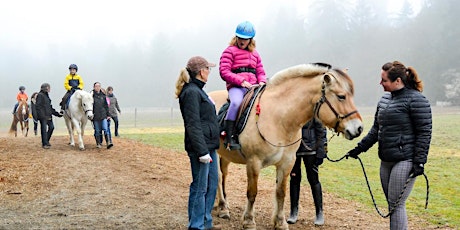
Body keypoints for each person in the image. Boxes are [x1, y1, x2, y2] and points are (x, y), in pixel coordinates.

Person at [346, 61, 432, 230]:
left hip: (405, 160)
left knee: (396, 205)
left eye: (384, 80)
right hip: (386, 160)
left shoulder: (417, 100)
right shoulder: (385, 99)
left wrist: (420, 161)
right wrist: (359, 148)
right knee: (393, 205)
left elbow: (424, 132)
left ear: (397, 81)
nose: (381, 83)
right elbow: (376, 129)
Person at [175, 56, 221, 230]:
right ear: (202, 72)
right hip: (201, 149)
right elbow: (193, 124)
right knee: (200, 187)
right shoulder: (191, 92)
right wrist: (202, 152)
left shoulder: (199, 91)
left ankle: (205, 221)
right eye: (208, 69)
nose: (210, 72)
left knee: (211, 184)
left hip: (210, 146)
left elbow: (206, 120)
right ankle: (196, 225)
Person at [219, 20, 267, 150]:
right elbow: (224, 72)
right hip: (237, 87)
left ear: (251, 40)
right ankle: (229, 137)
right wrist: (241, 81)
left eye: (245, 39)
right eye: (240, 38)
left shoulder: (255, 54)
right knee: (236, 103)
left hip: (254, 87)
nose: (242, 41)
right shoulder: (229, 51)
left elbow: (261, 71)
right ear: (236, 37)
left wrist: (262, 81)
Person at [287, 118, 327, 225]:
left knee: (313, 179)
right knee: (294, 179)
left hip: (311, 150)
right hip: (294, 150)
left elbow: (321, 130)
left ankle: (319, 213)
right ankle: (293, 212)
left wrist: (321, 151)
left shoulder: (314, 107)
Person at [35, 83, 62, 149]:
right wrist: (42, 116)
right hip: (43, 117)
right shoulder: (40, 95)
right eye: (48, 88)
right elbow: (38, 107)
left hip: (49, 115)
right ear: (46, 88)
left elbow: (50, 107)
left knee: (51, 127)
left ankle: (46, 141)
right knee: (43, 130)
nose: (49, 89)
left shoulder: (47, 96)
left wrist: (58, 114)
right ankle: (45, 144)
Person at [92, 82, 113, 149]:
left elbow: (106, 106)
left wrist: (108, 114)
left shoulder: (103, 96)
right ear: (94, 87)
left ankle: (108, 142)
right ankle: (98, 143)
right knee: (97, 130)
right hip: (95, 116)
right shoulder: (91, 96)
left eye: (99, 86)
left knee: (105, 128)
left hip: (103, 115)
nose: (97, 87)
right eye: (96, 86)